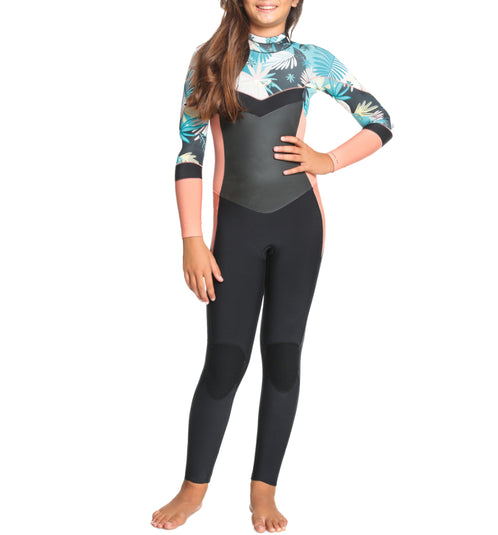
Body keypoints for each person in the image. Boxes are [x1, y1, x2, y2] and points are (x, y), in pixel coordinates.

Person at [151, 0, 393, 532]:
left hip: (299, 227)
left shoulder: (311, 60)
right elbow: (189, 152)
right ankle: (193, 489)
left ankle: (263, 491)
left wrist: (329, 160)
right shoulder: (210, 60)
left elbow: (379, 119)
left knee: (283, 359)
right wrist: (192, 238)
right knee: (224, 360)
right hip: (233, 231)